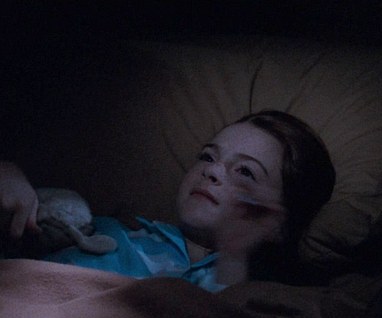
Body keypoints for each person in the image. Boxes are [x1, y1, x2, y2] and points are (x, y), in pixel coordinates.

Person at [0, 110, 335, 290]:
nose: (211, 171)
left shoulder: (272, 297)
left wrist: (236, 259)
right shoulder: (105, 230)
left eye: (245, 172)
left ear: (280, 222)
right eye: (207, 156)